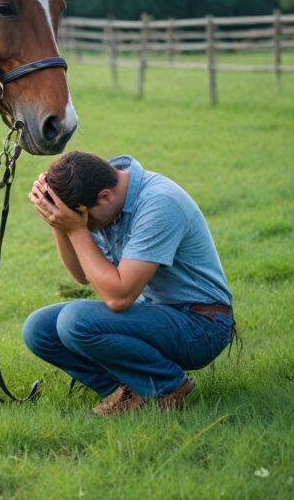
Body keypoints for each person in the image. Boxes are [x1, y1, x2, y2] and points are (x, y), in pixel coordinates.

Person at [23, 151, 234, 415]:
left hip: (201, 326)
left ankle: (167, 386)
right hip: (159, 313)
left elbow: (119, 297)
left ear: (104, 197)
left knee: (75, 322)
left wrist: (76, 230)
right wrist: (59, 222)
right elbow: (81, 274)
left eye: (87, 219)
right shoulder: (103, 194)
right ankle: (128, 389)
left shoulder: (160, 203)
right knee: (39, 329)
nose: (88, 227)